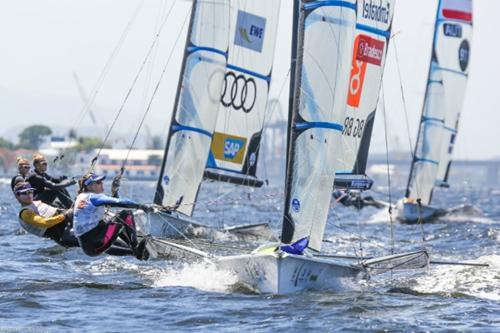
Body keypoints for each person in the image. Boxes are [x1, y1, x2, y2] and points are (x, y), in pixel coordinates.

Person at [73, 172, 153, 260]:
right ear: (90, 186)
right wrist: (140, 206)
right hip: (96, 241)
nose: (102, 184)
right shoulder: (93, 197)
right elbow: (119, 202)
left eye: (102, 182)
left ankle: (135, 252)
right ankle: (136, 247)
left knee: (117, 221)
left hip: (89, 248)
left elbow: (112, 203)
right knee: (126, 214)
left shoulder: (81, 197)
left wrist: (114, 191)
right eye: (98, 182)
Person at [13, 182, 79, 248]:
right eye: (24, 193)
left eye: (30, 191)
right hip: (62, 233)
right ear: (17, 196)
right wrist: (65, 215)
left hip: (67, 221)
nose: (29, 195)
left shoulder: (35, 202)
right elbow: (44, 223)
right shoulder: (25, 213)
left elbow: (54, 191)